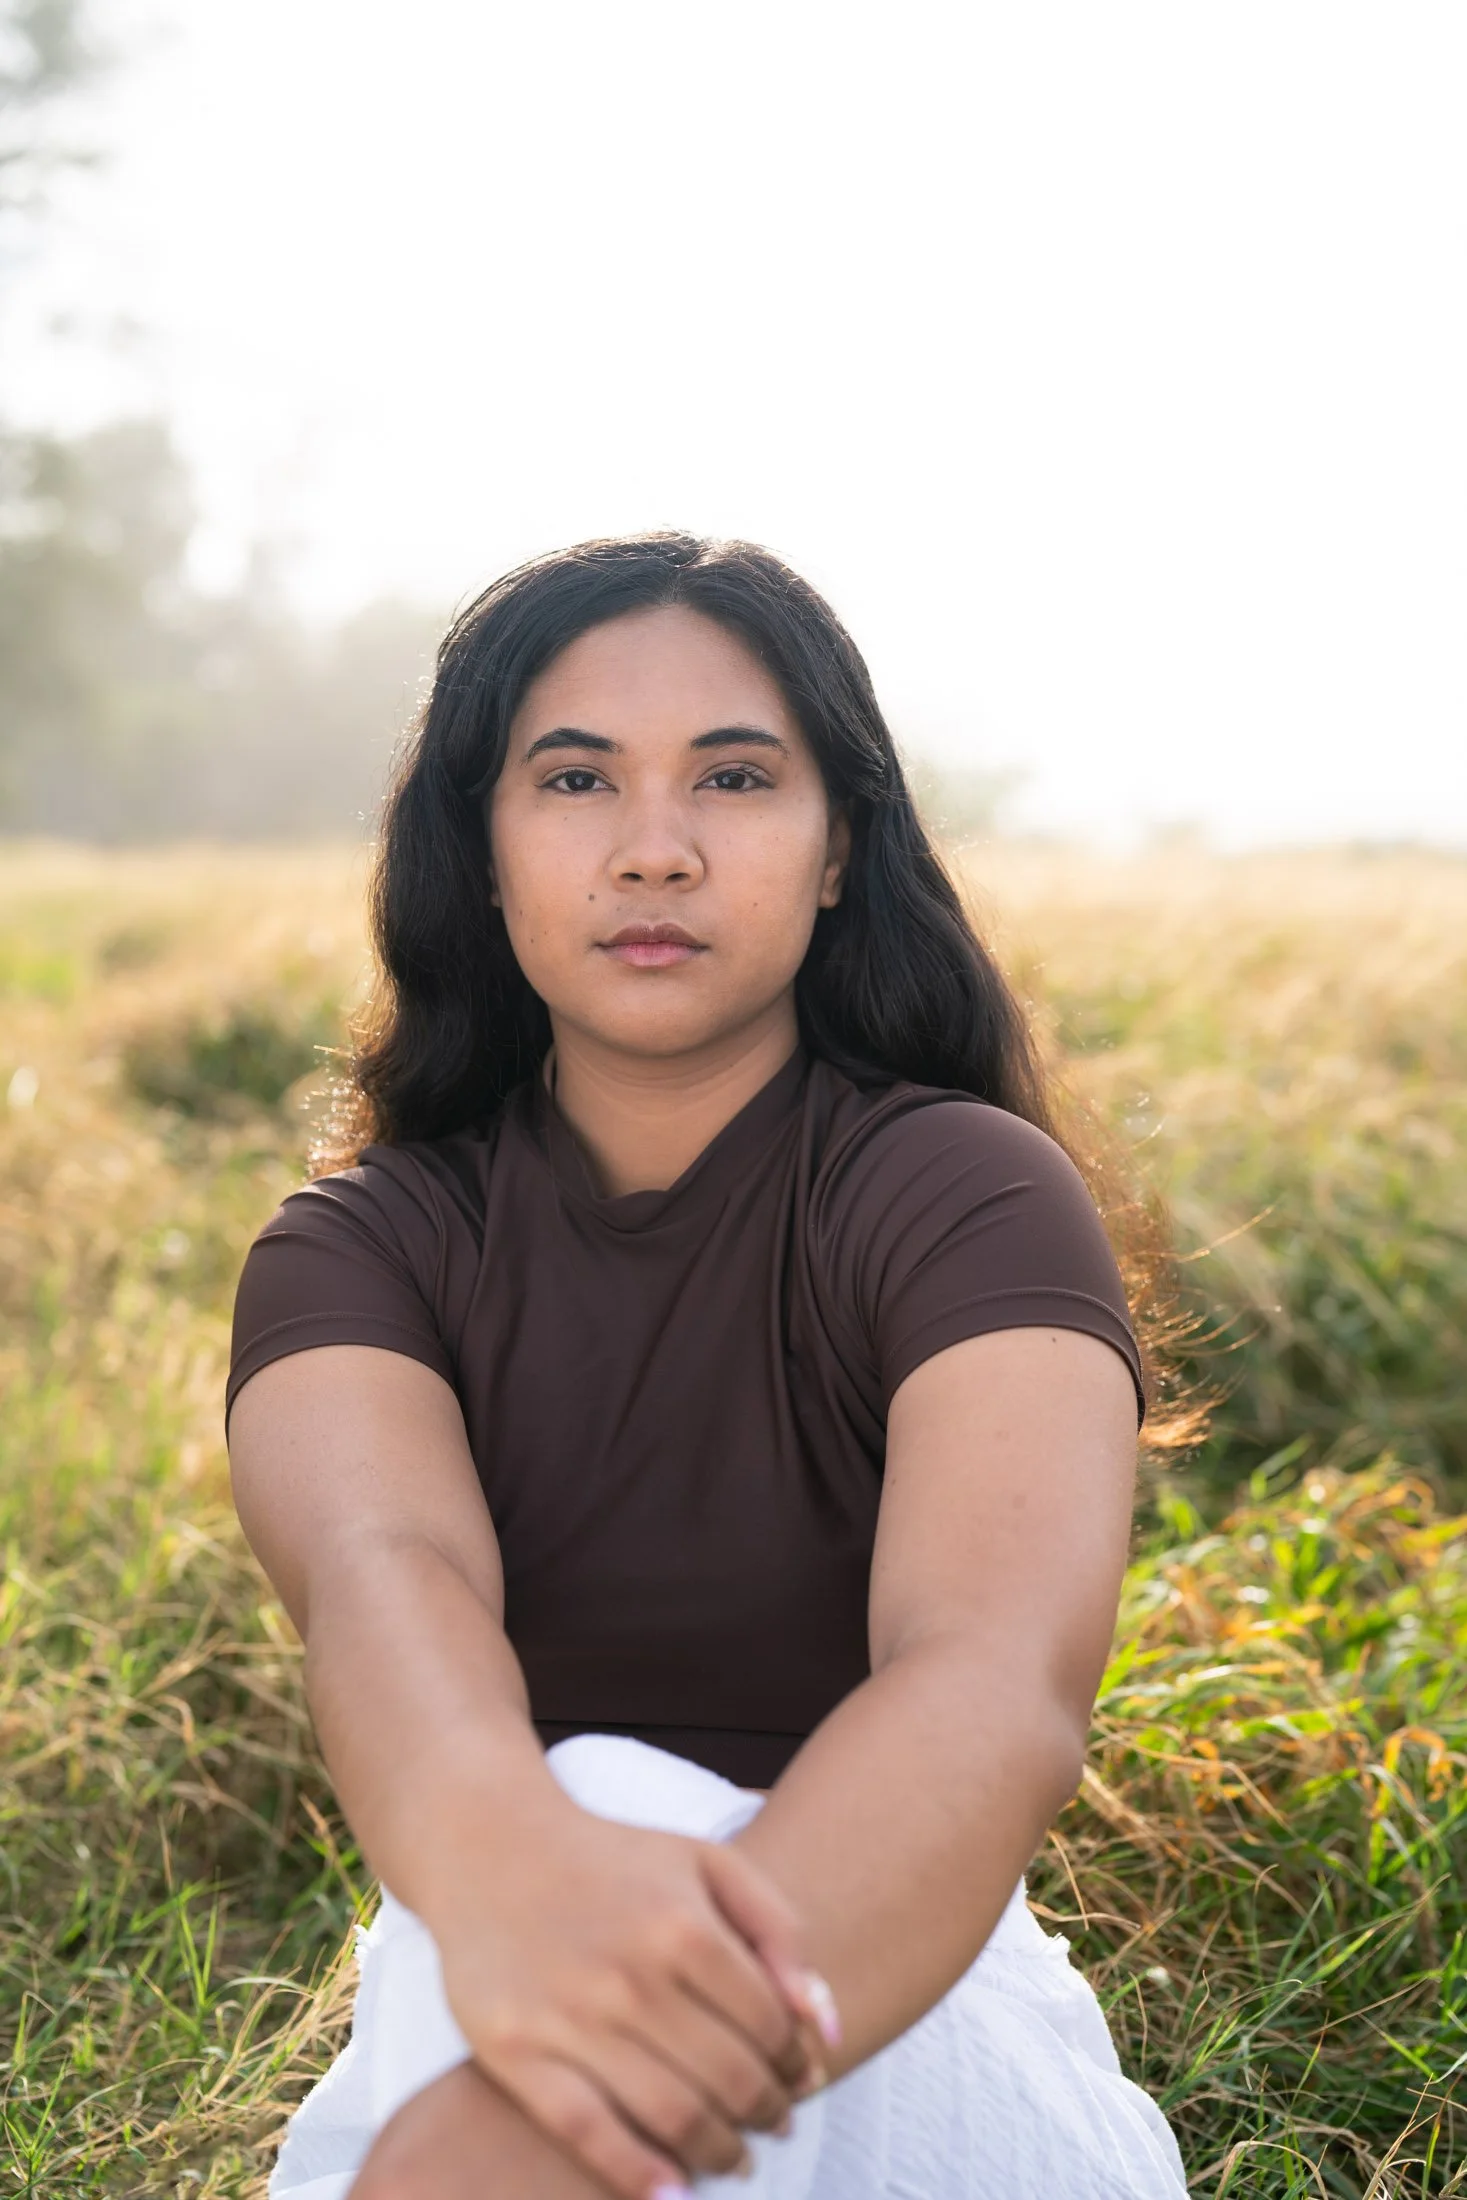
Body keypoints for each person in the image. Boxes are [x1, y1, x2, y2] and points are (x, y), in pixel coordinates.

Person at [225, 532, 1192, 2200]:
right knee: (593, 1790)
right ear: (482, 847)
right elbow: (388, 1580)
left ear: (835, 851)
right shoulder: (357, 1250)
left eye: (734, 779)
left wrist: (588, 2095)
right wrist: (525, 1893)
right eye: (577, 780)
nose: (654, 851)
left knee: (620, 1817)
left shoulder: (958, 1189)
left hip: (892, 1997)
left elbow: (990, 1678)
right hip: (495, 1962)